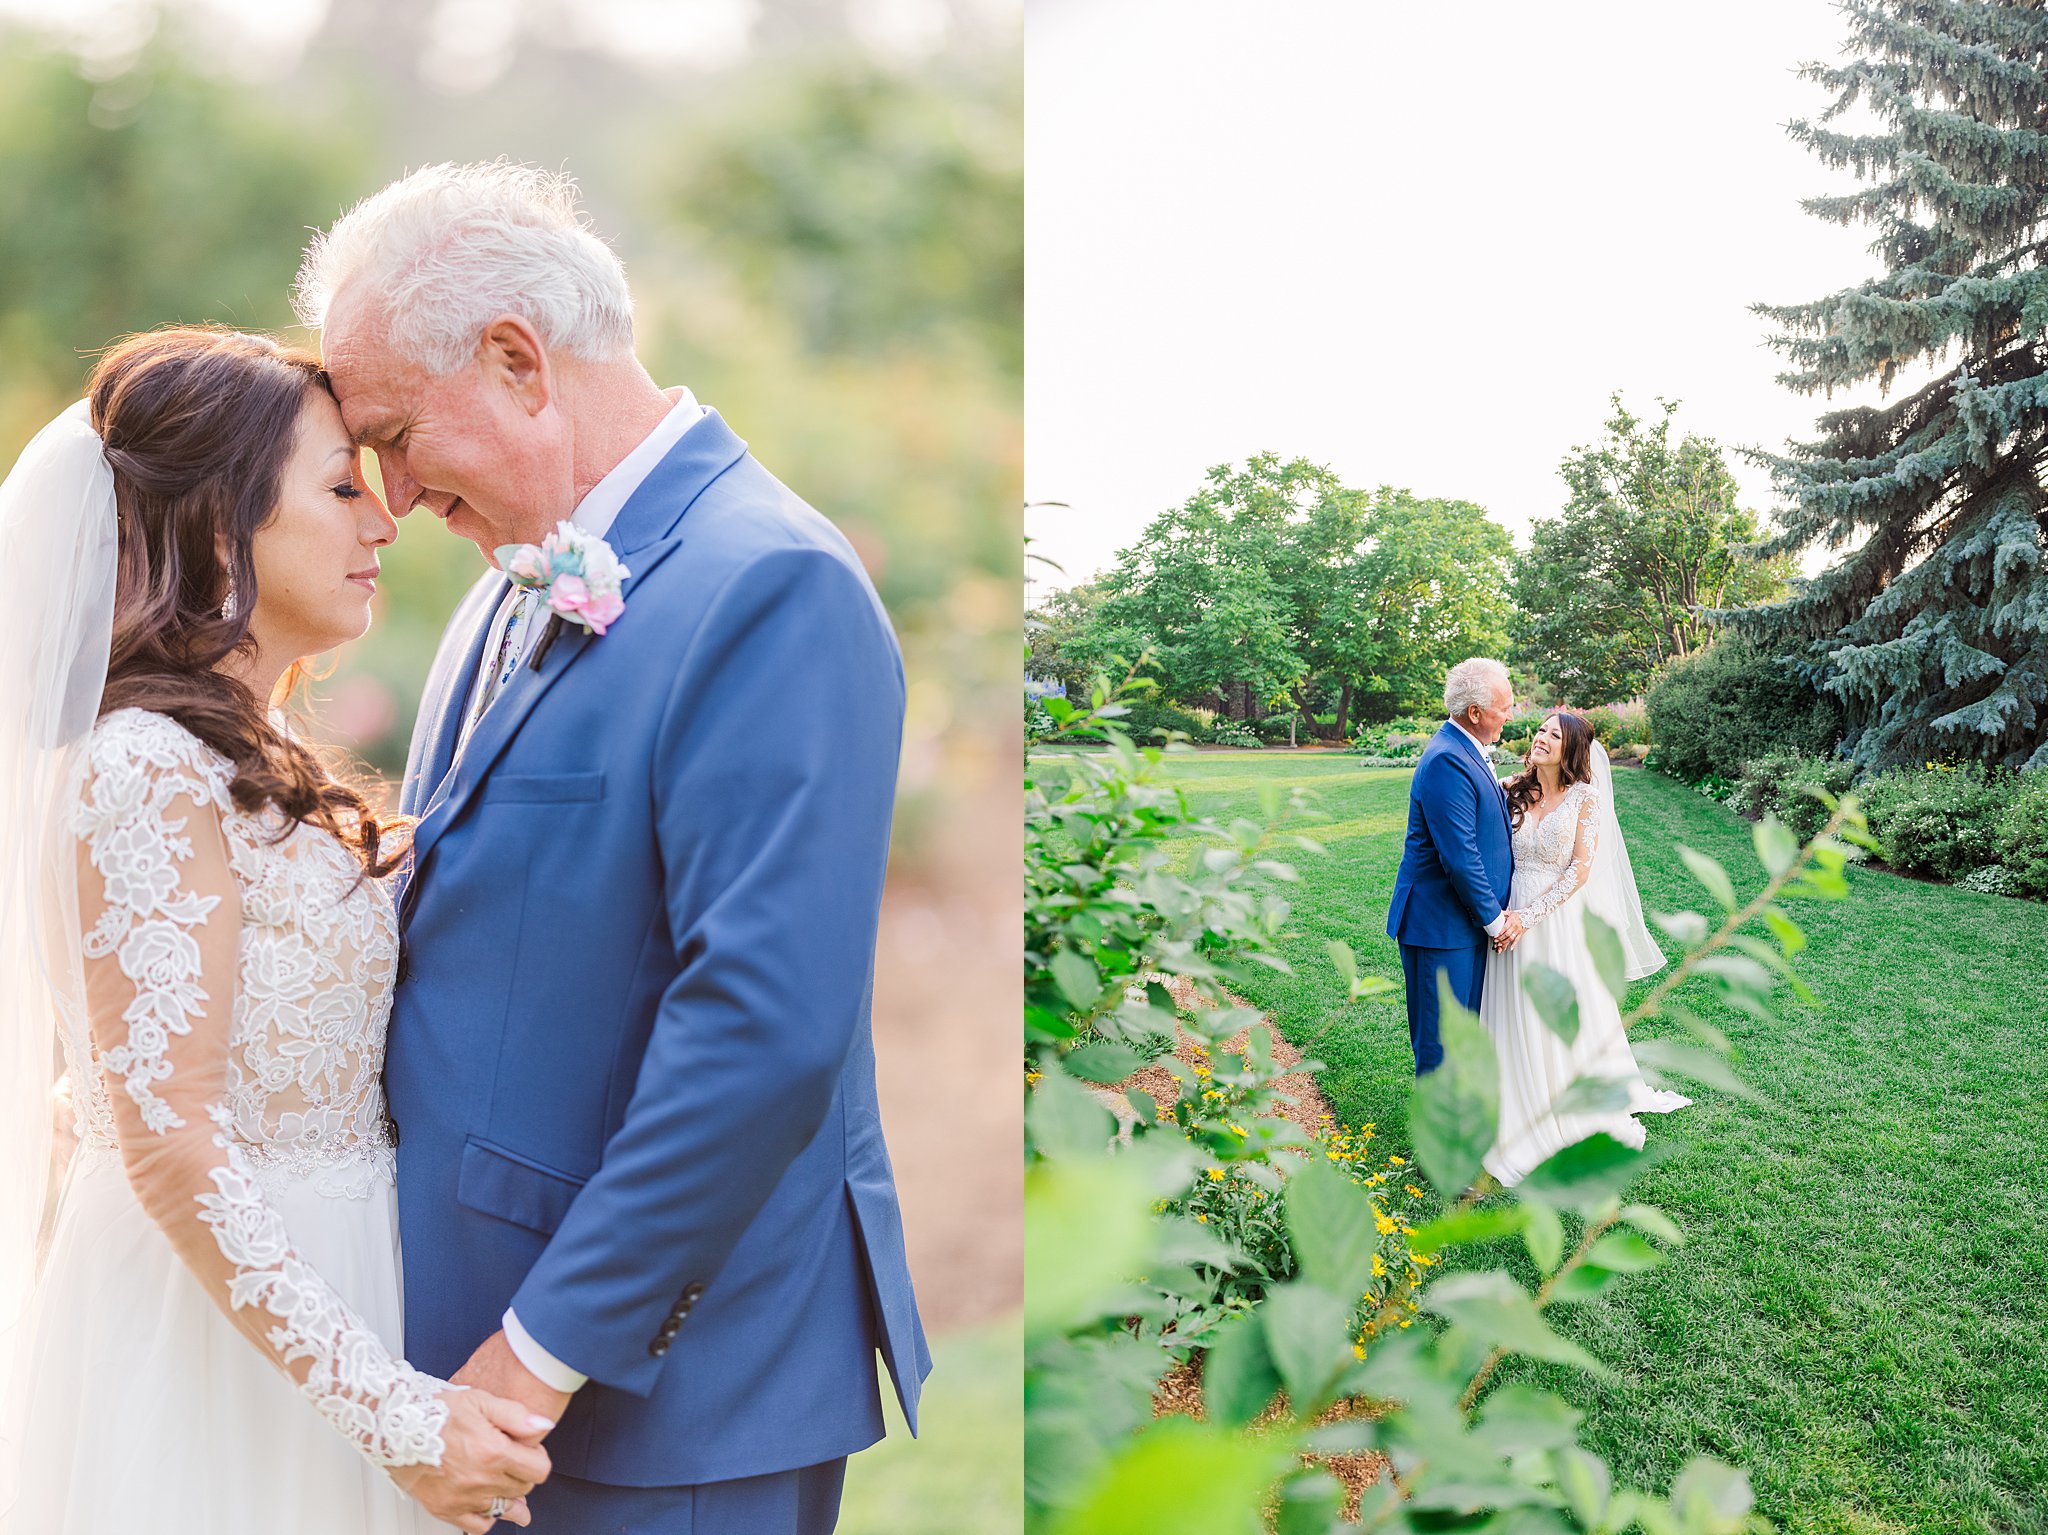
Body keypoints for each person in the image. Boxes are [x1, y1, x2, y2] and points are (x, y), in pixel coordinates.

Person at [297, 162, 929, 1535]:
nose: (389, 498)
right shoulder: (507, 587)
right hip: (479, 1363)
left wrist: (537, 1352)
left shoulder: (771, 583)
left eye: (397, 434)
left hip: (656, 1395)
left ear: (520, 360)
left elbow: (762, 1026)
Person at [0, 328, 551, 1534]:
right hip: (220, 1326)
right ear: (216, 528)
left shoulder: (253, 762)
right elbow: (167, 1140)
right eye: (341, 486)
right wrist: (395, 1415)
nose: (382, 519)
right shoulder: (143, 766)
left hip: (332, 1282)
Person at [1479, 710, 1689, 1186]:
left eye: (1553, 735)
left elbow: (1579, 870)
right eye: (1539, 730)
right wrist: (1503, 915)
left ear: (1571, 748)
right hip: (1507, 913)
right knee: (1512, 1010)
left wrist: (1528, 918)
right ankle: (1511, 1100)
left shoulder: (1585, 799)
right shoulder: (1513, 787)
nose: (1540, 738)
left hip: (1552, 922)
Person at [1385, 657, 1518, 1073]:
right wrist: (1495, 922)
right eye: (1505, 707)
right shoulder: (1448, 758)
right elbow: (1460, 856)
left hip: (1461, 923)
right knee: (1441, 1043)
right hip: (1440, 925)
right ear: (1475, 713)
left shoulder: (1467, 748)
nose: (1510, 716)